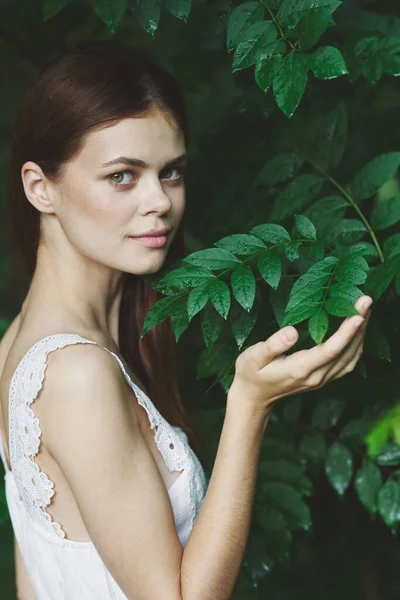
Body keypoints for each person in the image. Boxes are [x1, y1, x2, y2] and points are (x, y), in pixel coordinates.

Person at [0, 41, 372, 600]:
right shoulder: (74, 374)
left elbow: (37, 574)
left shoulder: (19, 347)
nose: (161, 201)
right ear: (40, 188)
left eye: (171, 172)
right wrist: (250, 406)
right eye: (123, 176)